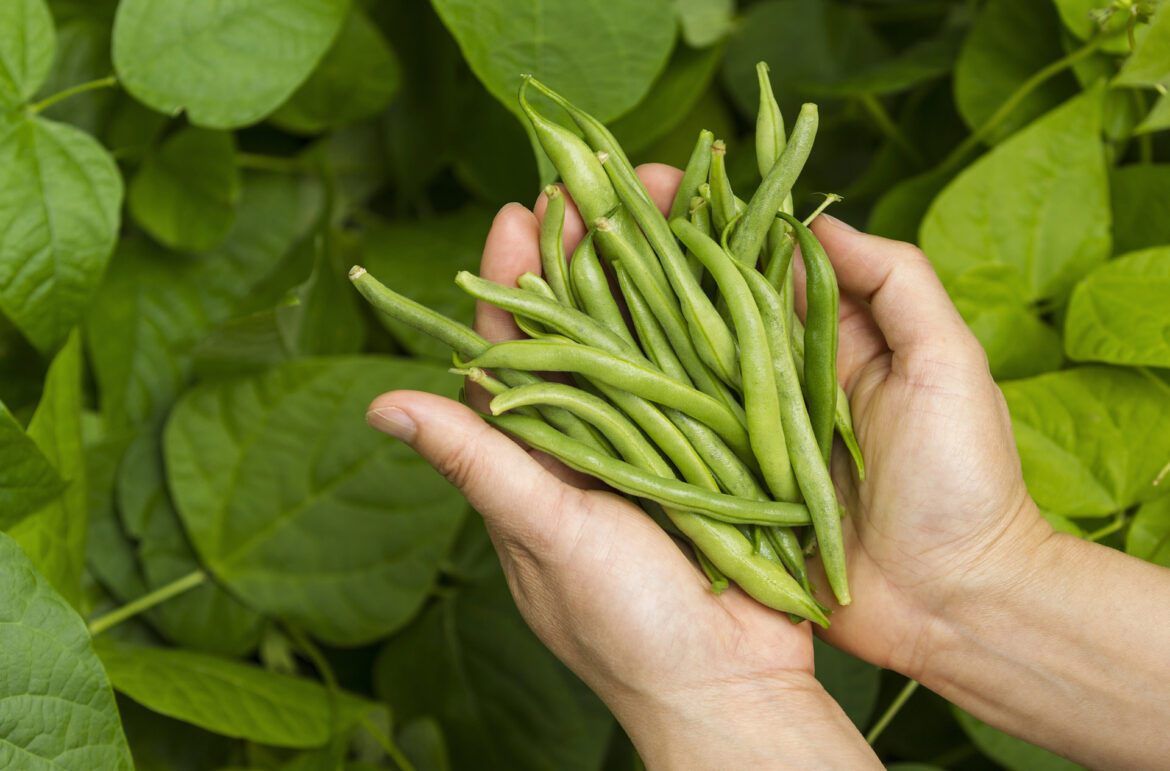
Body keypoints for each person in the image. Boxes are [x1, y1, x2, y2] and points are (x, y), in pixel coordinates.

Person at [365, 165, 1170, 769]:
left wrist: (720, 700)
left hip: (792, 527)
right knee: (660, 346)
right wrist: (976, 576)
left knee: (698, 332)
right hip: (798, 529)